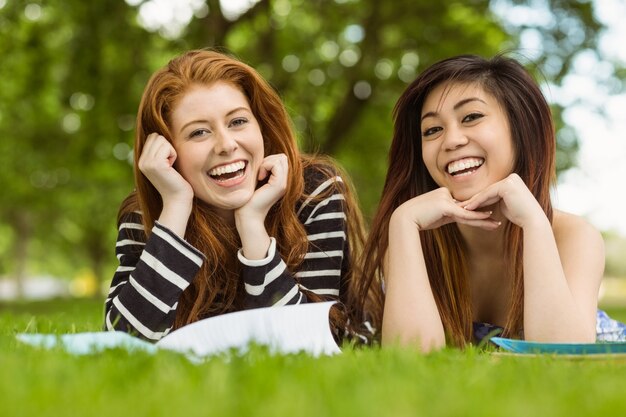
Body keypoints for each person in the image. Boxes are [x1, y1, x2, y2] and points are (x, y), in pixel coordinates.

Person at [360, 54, 625, 351]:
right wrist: (403, 223)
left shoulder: (573, 236)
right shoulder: (412, 236)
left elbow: (563, 356)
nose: (451, 141)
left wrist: (534, 223)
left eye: (471, 117)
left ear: (520, 128)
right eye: (432, 130)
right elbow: (410, 358)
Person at [104, 49, 372, 343]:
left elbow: (307, 341)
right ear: (168, 152)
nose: (226, 145)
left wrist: (253, 225)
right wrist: (176, 209)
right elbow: (125, 342)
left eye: (237, 122)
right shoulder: (149, 213)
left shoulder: (314, 191)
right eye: (198, 133)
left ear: (262, 126)